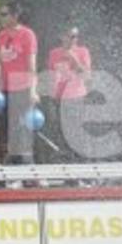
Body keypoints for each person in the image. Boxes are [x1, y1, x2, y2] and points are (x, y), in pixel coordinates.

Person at [0, 2, 38, 164]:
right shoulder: (1, 36)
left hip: (23, 88)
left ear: (14, 16)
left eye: (4, 14)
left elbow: (32, 66)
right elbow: (1, 63)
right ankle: (13, 169)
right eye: (0, 14)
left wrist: (33, 90)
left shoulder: (28, 35)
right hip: (6, 89)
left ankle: (28, 171)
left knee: (22, 130)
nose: (1, 17)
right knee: (8, 130)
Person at [46, 26, 91, 159]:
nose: (73, 40)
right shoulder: (54, 53)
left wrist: (73, 57)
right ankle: (67, 164)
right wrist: (51, 94)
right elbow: (51, 75)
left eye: (75, 37)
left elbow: (86, 76)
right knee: (62, 134)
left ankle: (82, 165)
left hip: (77, 96)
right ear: (62, 37)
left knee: (76, 132)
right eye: (70, 36)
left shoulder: (83, 51)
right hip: (59, 98)